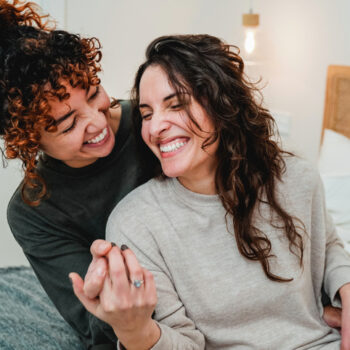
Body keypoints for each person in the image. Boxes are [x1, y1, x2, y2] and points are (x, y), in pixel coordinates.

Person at [70, 34, 350, 349]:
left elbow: (327, 245)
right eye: (147, 114)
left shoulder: (295, 177)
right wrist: (136, 333)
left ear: (222, 104)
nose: (156, 126)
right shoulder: (136, 224)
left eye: (176, 104)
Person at [0, 1, 156, 348]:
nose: (99, 122)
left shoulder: (151, 123)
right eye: (69, 124)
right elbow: (95, 323)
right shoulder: (33, 211)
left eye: (94, 92)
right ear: (29, 141)